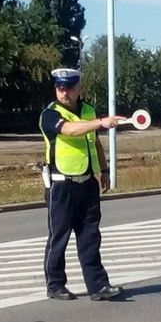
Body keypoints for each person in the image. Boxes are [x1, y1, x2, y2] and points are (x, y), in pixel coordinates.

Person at [39, 67, 125, 301]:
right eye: (60, 88)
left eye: (69, 88)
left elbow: (94, 142)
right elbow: (71, 130)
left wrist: (103, 170)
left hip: (87, 182)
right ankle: (55, 285)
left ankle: (98, 286)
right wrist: (101, 122)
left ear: (79, 88)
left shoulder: (88, 110)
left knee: (90, 236)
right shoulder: (50, 114)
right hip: (61, 184)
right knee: (59, 236)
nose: (64, 93)